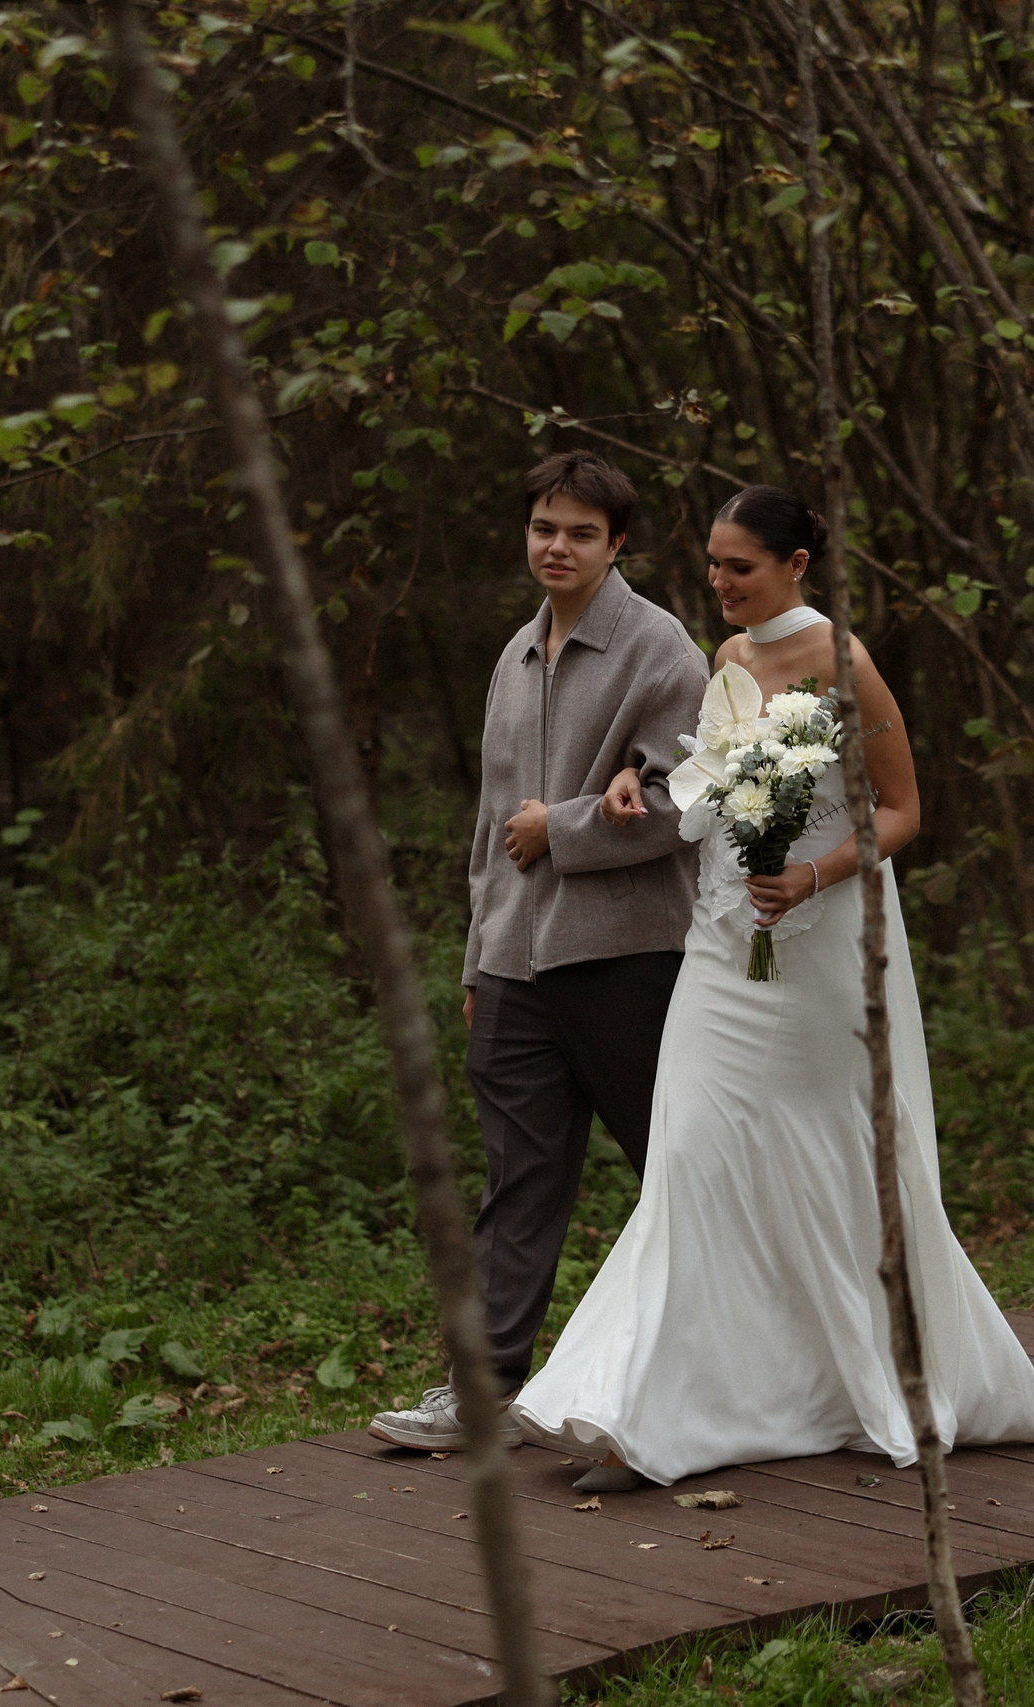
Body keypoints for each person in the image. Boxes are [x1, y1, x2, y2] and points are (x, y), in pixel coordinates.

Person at [510, 485, 1034, 1492]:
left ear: (796, 566)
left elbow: (902, 810)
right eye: (714, 565)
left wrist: (814, 872)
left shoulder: (842, 660)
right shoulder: (725, 660)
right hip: (726, 940)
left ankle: (848, 1370)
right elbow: (710, 781)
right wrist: (643, 788)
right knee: (692, 1152)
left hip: (817, 941)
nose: (719, 584)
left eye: (741, 567)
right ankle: (651, 1410)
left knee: (832, 1149)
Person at [367, 452, 710, 1452]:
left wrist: (559, 830)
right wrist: (478, 958)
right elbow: (490, 827)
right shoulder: (516, 654)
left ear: (617, 545)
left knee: (674, 1174)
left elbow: (682, 801)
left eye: (580, 532)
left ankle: (703, 1376)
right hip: (515, 967)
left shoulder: (662, 652)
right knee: (518, 1180)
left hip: (628, 960)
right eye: (543, 528)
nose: (556, 547)